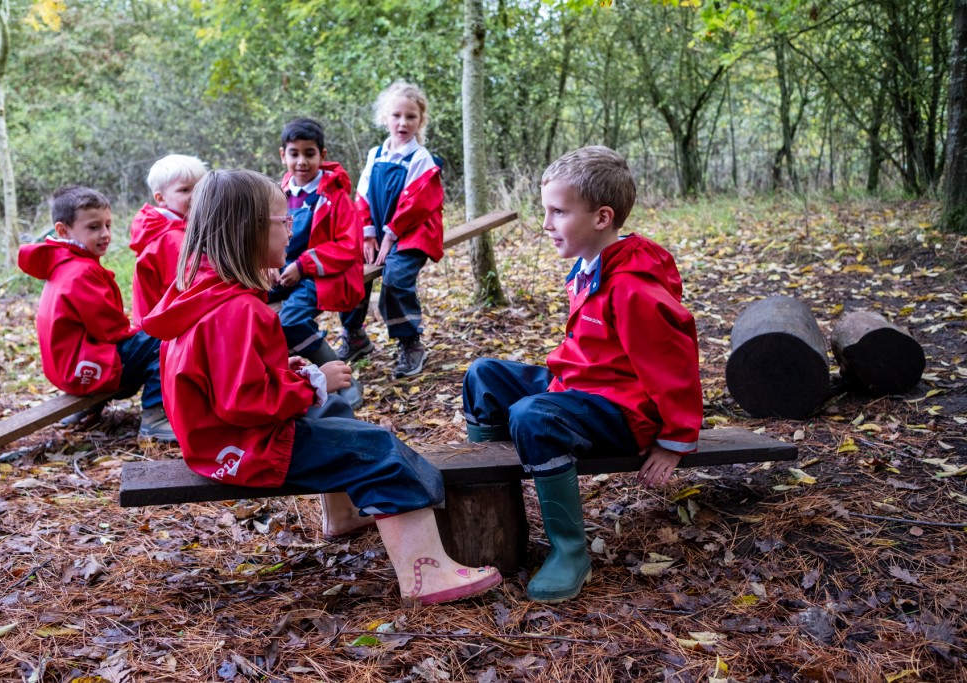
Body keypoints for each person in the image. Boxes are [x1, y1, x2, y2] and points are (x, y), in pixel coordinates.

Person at [143, 169, 502, 604]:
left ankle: (343, 516)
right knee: (378, 451)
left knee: (336, 418)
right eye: (283, 221)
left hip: (217, 440)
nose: (290, 229)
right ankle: (426, 574)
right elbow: (244, 403)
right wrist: (314, 380)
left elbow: (225, 379)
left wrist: (281, 369)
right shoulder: (237, 310)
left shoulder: (203, 291)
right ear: (251, 229)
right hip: (245, 447)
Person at [461, 146, 702, 603]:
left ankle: (570, 550)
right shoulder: (590, 266)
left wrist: (674, 442)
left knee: (532, 416)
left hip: (624, 415)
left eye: (558, 212)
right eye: (545, 211)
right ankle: (491, 502)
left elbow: (676, 365)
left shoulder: (632, 289)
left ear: (601, 217)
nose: (546, 224)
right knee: (484, 375)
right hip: (580, 389)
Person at [18, 186, 176, 442]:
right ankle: (155, 417)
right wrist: (145, 329)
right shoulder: (81, 272)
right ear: (63, 230)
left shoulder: (63, 263)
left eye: (108, 225)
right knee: (164, 340)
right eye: (93, 227)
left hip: (68, 367)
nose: (105, 234)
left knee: (143, 341)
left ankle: (86, 407)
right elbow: (112, 330)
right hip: (85, 370)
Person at [339, 81, 444, 378]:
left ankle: (410, 342)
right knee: (350, 267)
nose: (403, 122)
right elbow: (363, 194)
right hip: (381, 230)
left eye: (411, 116)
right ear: (384, 118)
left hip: (412, 230)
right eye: (396, 115)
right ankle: (354, 334)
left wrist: (391, 235)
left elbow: (418, 204)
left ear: (420, 121)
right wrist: (369, 232)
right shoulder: (376, 154)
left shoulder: (421, 159)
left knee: (396, 278)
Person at [267, 118, 364, 410]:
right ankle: (274, 379)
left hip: (324, 274)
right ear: (282, 155)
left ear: (322, 156)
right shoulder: (279, 193)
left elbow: (349, 245)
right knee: (253, 306)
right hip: (285, 273)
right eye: (294, 153)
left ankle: (342, 377)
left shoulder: (333, 194)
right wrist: (267, 263)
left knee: (290, 319)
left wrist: (304, 265)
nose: (301, 161)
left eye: (309, 153)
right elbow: (268, 234)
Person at [129, 154, 208, 326]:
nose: (196, 195)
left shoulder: (178, 227)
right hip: (166, 328)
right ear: (160, 198)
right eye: (185, 190)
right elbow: (194, 289)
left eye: (201, 188)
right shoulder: (171, 238)